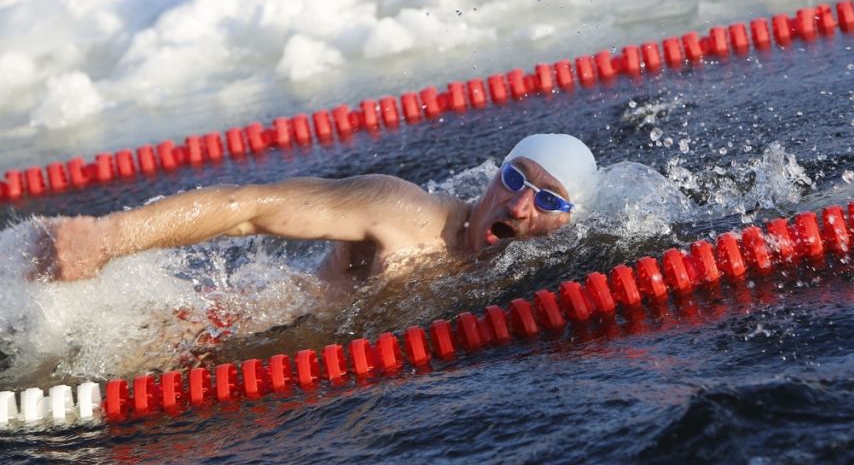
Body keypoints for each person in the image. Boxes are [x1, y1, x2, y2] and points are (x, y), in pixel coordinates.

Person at [34, 134, 599, 301]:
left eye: (548, 200)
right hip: (233, 327)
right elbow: (251, 209)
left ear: (568, 222)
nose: (520, 205)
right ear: (494, 176)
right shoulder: (401, 209)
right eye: (516, 178)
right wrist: (110, 237)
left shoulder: (535, 279)